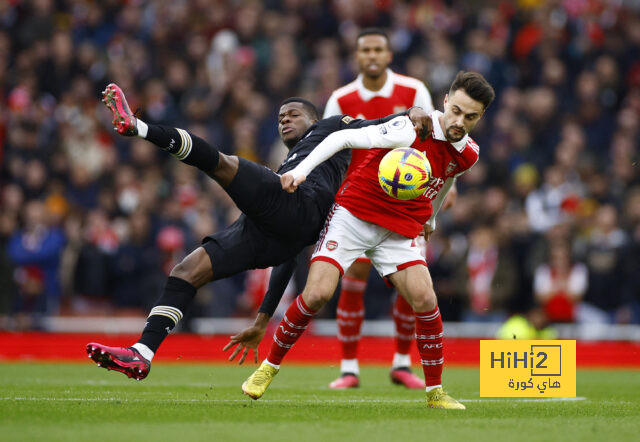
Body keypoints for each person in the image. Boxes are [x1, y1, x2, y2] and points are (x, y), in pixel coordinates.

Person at [85, 83, 431, 379]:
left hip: (300, 202)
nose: (285, 118)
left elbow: (376, 124)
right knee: (187, 271)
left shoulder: (331, 126)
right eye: (281, 116)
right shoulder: (290, 164)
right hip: (277, 232)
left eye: (293, 113)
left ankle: (138, 128)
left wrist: (411, 112)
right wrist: (263, 319)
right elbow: (289, 253)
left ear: (313, 119)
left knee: (222, 163)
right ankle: (142, 353)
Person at [239, 71, 495, 409]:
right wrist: (300, 172)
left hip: (399, 228)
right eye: (456, 111)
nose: (459, 121)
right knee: (316, 295)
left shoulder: (469, 154)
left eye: (470, 116)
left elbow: (446, 180)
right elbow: (343, 139)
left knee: (425, 300)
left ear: (480, 117)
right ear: (445, 102)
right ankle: (267, 368)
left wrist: (431, 217)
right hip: (354, 216)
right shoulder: (410, 127)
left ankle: (435, 393)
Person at [322, 27, 441, 389]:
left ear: (389, 55)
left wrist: (441, 192)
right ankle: (349, 368)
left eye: (378, 50)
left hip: (406, 204)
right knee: (353, 280)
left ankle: (402, 363)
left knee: (412, 284)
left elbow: (434, 143)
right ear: (356, 57)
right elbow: (331, 148)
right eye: (365, 50)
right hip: (359, 203)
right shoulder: (341, 99)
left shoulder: (413, 91)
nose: (372, 56)